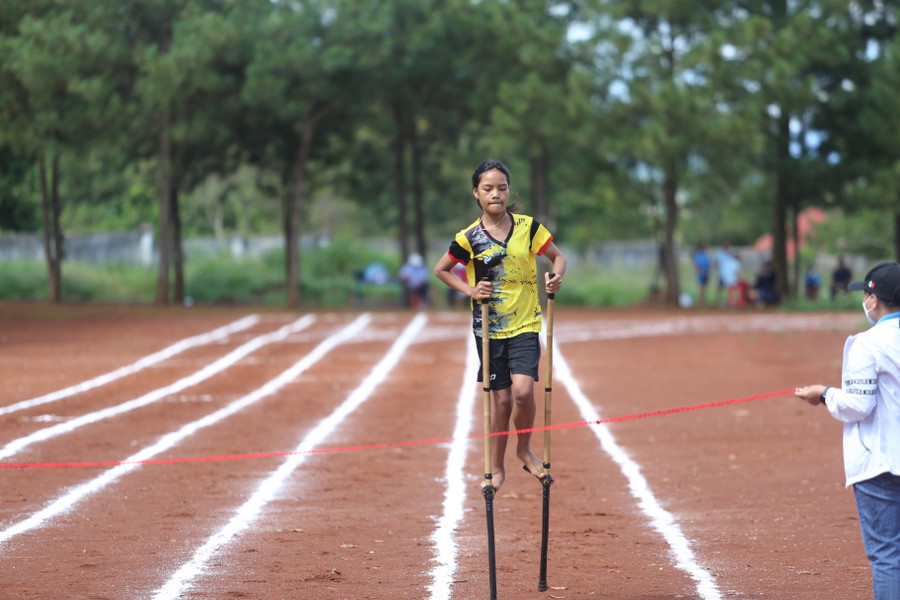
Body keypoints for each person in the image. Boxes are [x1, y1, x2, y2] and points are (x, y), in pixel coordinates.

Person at [433, 158, 567, 492]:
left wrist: (556, 277)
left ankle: (524, 449)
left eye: (502, 188)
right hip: (489, 330)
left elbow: (558, 257)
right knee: (502, 401)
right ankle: (495, 466)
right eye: (488, 188)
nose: (496, 194)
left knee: (523, 393)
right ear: (476, 193)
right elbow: (442, 269)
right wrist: (470, 290)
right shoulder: (468, 238)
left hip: (525, 323)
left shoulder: (528, 227)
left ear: (509, 192)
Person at [795, 261, 900, 600]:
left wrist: (824, 394)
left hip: (883, 462)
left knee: (887, 556)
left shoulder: (866, 344)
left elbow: (858, 405)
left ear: (874, 300)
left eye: (867, 294)